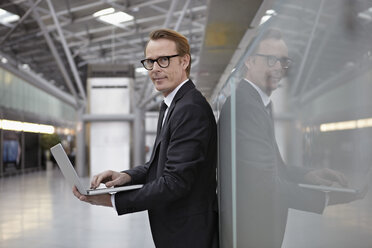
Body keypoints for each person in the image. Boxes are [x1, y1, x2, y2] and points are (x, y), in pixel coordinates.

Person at [218, 28, 365, 247]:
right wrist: (325, 198)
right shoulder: (245, 106)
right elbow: (261, 184)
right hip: (250, 233)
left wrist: (308, 175)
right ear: (249, 61)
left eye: (283, 61)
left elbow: (264, 169)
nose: (278, 67)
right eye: (270, 60)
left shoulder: (258, 104)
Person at [73, 29, 219, 247]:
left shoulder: (190, 109)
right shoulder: (172, 104)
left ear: (184, 61)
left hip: (189, 234)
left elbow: (175, 182)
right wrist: (125, 176)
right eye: (150, 62)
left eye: (163, 60)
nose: (155, 69)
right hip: (177, 230)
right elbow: (158, 165)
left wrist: (112, 200)